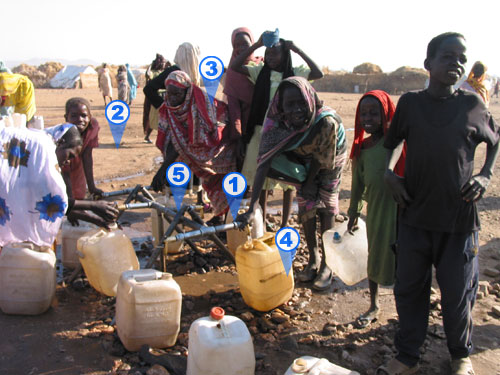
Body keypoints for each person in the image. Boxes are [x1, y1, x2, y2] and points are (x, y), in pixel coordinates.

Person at [380, 32, 499, 375]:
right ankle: (407, 356)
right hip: (414, 215)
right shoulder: (410, 104)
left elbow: (494, 139)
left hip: (459, 219)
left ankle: (461, 355)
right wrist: (389, 174)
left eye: (461, 58)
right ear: (428, 64)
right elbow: (392, 143)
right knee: (409, 289)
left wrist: (486, 175)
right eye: (448, 56)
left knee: (457, 293)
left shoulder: (471, 105)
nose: (457, 63)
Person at [237, 77, 347, 291]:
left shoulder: (325, 122)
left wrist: (310, 180)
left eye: (301, 103)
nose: (297, 109)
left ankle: (328, 265)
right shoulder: (276, 122)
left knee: (325, 206)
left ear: (309, 99)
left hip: (331, 156)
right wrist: (252, 208)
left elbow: (323, 160)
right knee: (306, 204)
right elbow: (264, 162)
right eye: (290, 104)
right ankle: (313, 258)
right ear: (281, 105)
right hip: (303, 158)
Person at [230, 32, 323, 230]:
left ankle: (284, 224)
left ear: (285, 54)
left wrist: (297, 49)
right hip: (261, 131)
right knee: (260, 178)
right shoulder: (259, 72)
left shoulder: (295, 71)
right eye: (268, 53)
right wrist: (256, 45)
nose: (270, 58)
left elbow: (318, 73)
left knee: (288, 182)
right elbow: (235, 66)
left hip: (289, 133)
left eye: (275, 53)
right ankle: (261, 221)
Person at [0, 124, 118, 248]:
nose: (68, 162)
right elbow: (55, 201)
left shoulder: (37, 146)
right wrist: (93, 206)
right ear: (60, 142)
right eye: (70, 155)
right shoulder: (44, 148)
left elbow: (43, 203)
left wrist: (95, 220)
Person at [347, 90, 405, 328]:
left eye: (374, 113)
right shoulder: (363, 149)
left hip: (401, 213)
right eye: (363, 114)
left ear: (386, 114)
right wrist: (353, 213)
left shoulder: (401, 144)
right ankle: (374, 305)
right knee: (374, 257)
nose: (368, 118)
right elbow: (357, 184)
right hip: (378, 213)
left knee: (404, 260)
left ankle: (405, 311)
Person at [150, 70, 236, 219]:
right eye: (169, 94)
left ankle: (226, 222)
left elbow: (190, 143)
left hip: (218, 148)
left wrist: (163, 170)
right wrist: (165, 168)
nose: (171, 98)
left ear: (187, 92)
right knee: (210, 183)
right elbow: (174, 142)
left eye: (176, 94)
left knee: (220, 183)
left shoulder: (199, 105)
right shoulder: (168, 109)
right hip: (195, 151)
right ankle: (220, 218)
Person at [144, 43, 205, 205]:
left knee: (193, 150)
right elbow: (149, 88)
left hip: (189, 117)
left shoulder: (192, 72)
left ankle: (196, 194)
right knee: (176, 150)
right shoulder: (174, 72)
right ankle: (175, 194)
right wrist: (166, 108)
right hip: (176, 118)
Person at [223, 27, 263, 170]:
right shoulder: (233, 73)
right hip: (244, 130)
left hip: (264, 127)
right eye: (237, 45)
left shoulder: (262, 65)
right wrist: (239, 139)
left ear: (252, 43)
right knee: (243, 169)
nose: (240, 48)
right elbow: (234, 110)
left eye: (245, 44)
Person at [61, 97, 103, 201]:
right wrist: (69, 198)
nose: (80, 119)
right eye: (74, 116)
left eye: (84, 116)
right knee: (66, 197)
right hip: (63, 165)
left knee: (79, 193)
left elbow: (87, 155)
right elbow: (64, 170)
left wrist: (92, 187)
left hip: (78, 164)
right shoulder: (63, 135)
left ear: (90, 117)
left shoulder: (93, 126)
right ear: (66, 118)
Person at [143, 54, 169, 143]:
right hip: (156, 98)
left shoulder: (164, 72)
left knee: (163, 118)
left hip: (164, 97)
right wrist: (151, 66)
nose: (164, 64)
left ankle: (154, 137)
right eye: (163, 63)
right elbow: (148, 75)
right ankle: (148, 136)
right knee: (155, 118)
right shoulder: (153, 73)